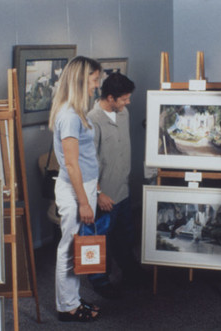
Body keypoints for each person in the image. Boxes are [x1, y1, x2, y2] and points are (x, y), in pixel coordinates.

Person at [48, 56, 102, 322]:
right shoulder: (69, 116)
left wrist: (95, 188)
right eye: (94, 80)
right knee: (70, 248)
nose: (96, 86)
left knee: (77, 247)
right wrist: (83, 202)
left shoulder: (76, 112)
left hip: (84, 186)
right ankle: (67, 307)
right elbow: (70, 164)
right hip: (74, 191)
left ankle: (73, 299)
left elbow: (85, 157)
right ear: (82, 80)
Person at [86, 73, 143, 298]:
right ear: (110, 97)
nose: (128, 102)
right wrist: (98, 193)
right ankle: (100, 282)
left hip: (122, 190)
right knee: (98, 240)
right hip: (104, 195)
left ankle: (130, 272)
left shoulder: (123, 113)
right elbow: (89, 162)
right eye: (124, 99)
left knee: (125, 236)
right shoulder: (92, 120)